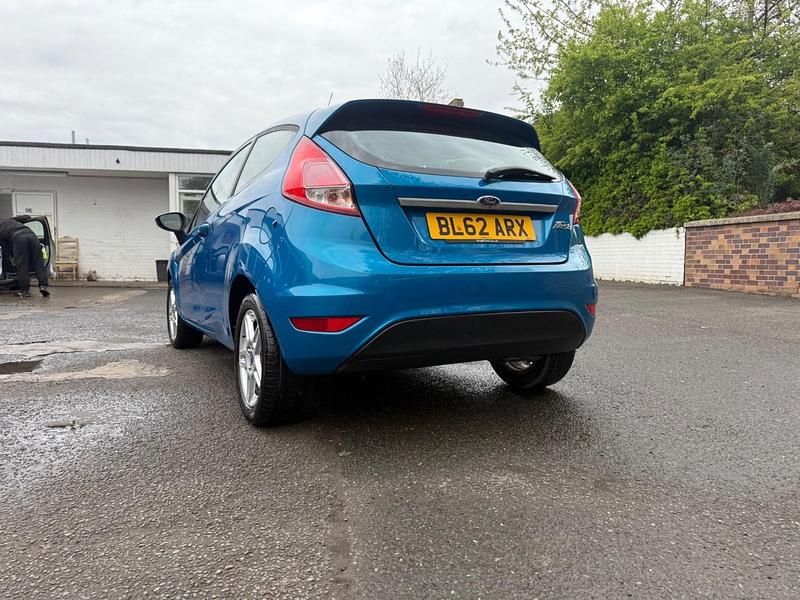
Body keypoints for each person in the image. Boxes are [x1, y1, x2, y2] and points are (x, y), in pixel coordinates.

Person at [0, 216, 50, 297]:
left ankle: (24, 290)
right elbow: (25, 217)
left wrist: (11, 256)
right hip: (32, 235)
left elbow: (5, 246)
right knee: (38, 262)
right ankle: (43, 286)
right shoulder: (9, 220)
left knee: (22, 265)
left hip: (19, 237)